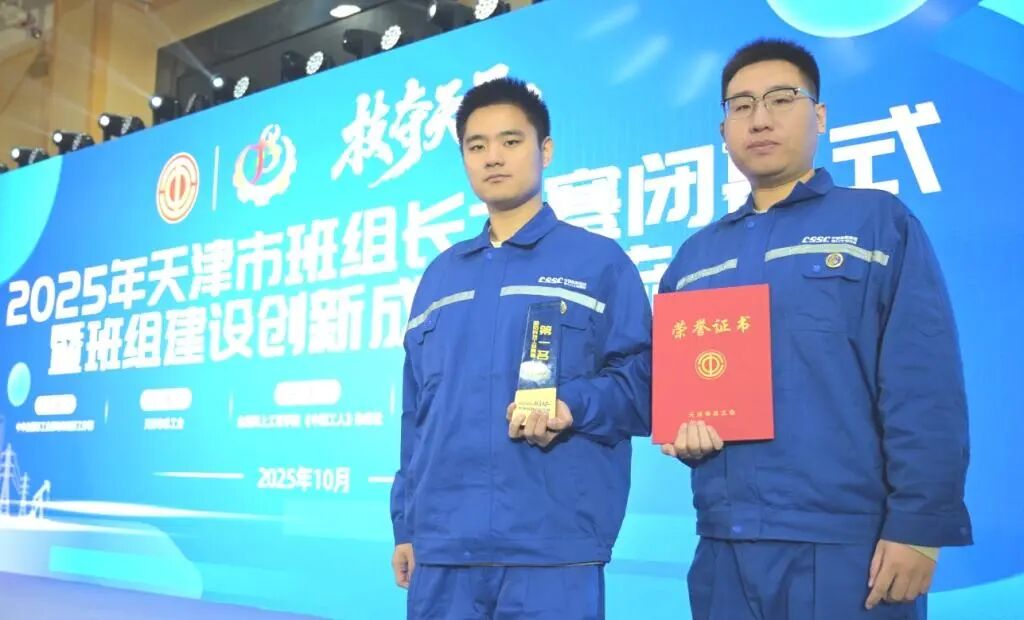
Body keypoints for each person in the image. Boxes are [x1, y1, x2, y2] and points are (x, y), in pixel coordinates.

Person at [659, 39, 972, 619]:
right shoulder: (694, 258)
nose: (760, 119)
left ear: (820, 116)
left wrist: (919, 527)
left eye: (781, 99)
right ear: (723, 130)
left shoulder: (876, 223)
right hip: (724, 544)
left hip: (848, 544)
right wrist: (683, 433)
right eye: (741, 105)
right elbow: (679, 389)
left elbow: (923, 382)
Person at [391, 77, 652, 619]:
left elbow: (644, 384)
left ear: (545, 150)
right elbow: (416, 415)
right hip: (443, 551)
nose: (493, 157)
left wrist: (572, 405)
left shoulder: (599, 263)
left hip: (552, 549)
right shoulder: (440, 276)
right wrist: (407, 526)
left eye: (511, 141)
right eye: (476, 145)